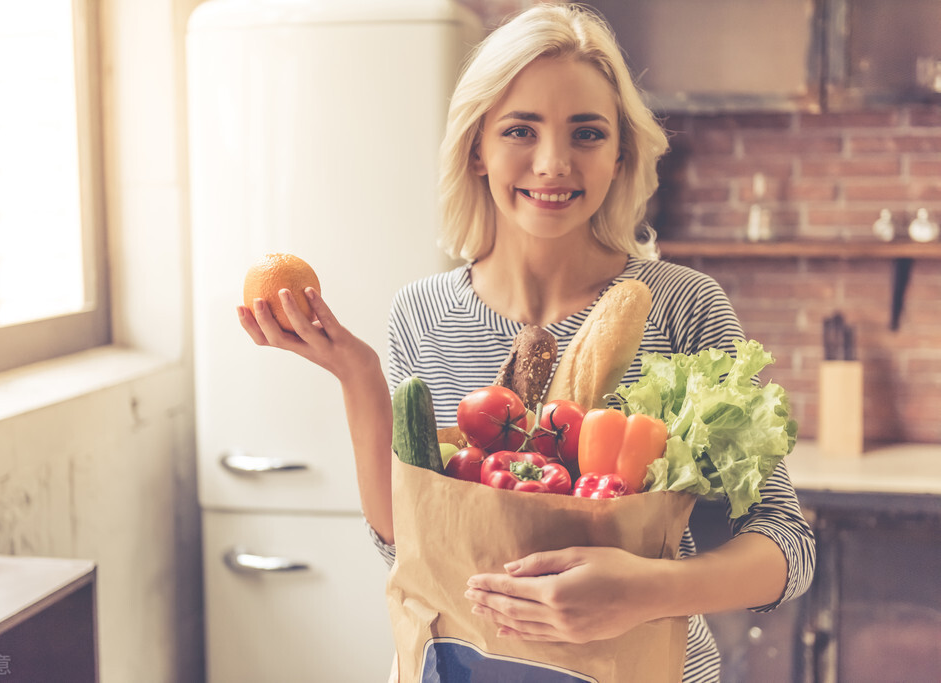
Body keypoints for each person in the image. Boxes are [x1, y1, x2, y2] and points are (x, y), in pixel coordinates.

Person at [237, 4, 816, 681]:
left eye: (587, 133)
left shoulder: (682, 306)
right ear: (476, 147)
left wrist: (644, 590)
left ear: (620, 155)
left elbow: (787, 545)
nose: (552, 163)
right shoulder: (422, 314)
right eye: (520, 129)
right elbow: (408, 544)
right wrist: (357, 374)